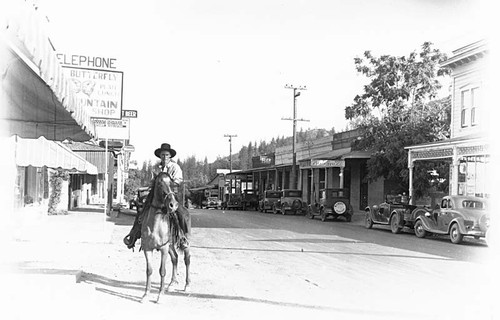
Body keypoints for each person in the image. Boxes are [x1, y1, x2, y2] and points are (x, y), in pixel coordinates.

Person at [123, 143, 189, 250]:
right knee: (142, 211)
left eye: (167, 155)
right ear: (160, 156)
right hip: (157, 196)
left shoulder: (175, 167)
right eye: (162, 155)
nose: (164, 157)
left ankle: (182, 237)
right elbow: (151, 182)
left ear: (170, 156)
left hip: (171, 194)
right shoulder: (155, 168)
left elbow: (178, 181)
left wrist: (168, 182)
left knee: (180, 213)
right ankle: (133, 235)